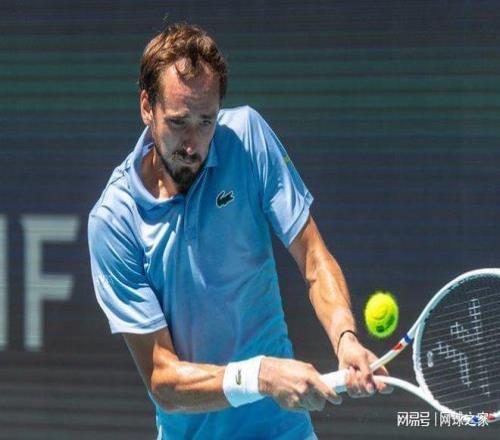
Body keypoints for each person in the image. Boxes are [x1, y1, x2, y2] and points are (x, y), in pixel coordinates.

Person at [88, 23, 391, 439]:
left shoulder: (248, 138)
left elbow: (313, 258)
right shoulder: (114, 219)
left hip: (283, 430)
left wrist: (345, 338)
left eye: (206, 122)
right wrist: (260, 376)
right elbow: (163, 379)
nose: (192, 143)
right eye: (178, 122)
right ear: (147, 107)